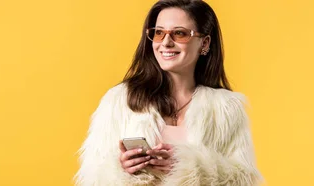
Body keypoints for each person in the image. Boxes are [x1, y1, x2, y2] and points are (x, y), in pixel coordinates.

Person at [74, 0, 264, 185]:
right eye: (158, 33)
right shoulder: (120, 100)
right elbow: (92, 175)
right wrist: (121, 168)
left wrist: (189, 166)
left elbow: (243, 178)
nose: (166, 42)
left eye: (179, 33)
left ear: (204, 43)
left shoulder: (226, 108)